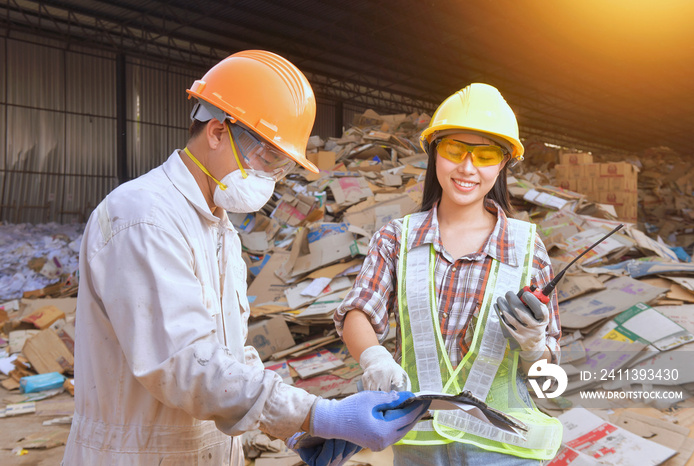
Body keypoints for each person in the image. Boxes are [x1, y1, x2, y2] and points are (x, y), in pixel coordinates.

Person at [63, 50, 428, 466]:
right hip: (137, 455)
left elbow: (229, 354)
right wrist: (317, 414)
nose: (272, 178)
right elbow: (185, 364)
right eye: (269, 157)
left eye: (282, 166)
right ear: (217, 131)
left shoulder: (219, 228)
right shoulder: (144, 217)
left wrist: (292, 427)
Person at [334, 83, 564, 465]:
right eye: (455, 150)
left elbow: (546, 377)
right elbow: (359, 311)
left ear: (503, 163)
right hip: (419, 448)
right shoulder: (397, 239)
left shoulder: (527, 249)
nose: (467, 168)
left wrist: (534, 346)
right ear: (434, 152)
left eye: (485, 154)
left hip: (503, 452)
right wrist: (374, 357)